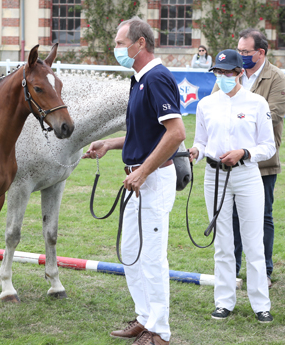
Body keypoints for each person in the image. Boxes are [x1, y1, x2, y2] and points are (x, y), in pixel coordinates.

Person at [82, 16, 185, 345]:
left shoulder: (156, 78)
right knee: (131, 251)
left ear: (140, 43)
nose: (116, 49)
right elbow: (145, 132)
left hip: (152, 180)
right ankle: (144, 318)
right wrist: (111, 144)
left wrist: (143, 171)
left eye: (119, 43)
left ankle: (160, 330)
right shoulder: (139, 78)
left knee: (152, 256)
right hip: (138, 179)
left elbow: (176, 133)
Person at [188, 49, 275, 323]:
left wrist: (244, 152)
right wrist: (196, 152)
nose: (224, 77)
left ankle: (261, 303)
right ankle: (224, 301)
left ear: (240, 73)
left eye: (228, 72)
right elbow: (201, 141)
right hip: (214, 176)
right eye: (219, 72)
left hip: (246, 174)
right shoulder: (206, 104)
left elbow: (268, 146)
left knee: (253, 241)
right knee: (223, 242)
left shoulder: (257, 103)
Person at [212, 28, 285, 288]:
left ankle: (263, 272)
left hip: (261, 163)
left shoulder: (276, 77)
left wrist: (243, 147)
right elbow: (215, 107)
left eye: (245, 52)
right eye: (239, 50)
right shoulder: (229, 73)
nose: (241, 55)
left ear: (261, 52)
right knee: (228, 216)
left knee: (262, 217)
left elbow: (273, 116)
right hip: (226, 163)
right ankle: (231, 271)